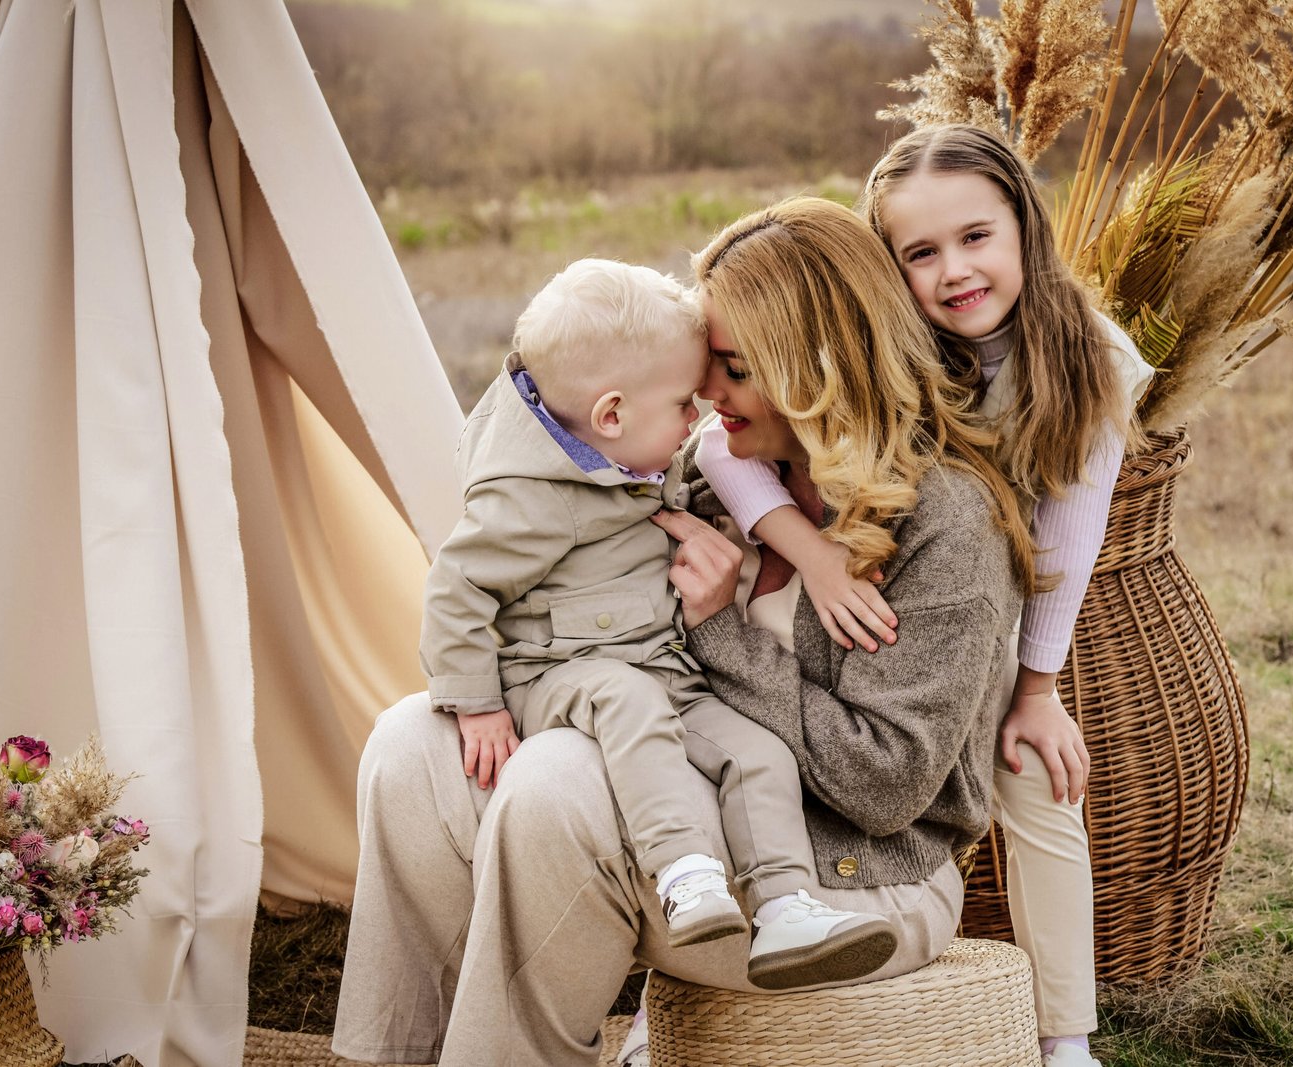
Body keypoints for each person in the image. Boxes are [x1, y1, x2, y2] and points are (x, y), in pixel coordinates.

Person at [332, 199, 1028, 1067]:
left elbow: (886, 784)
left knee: (557, 782)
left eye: (733, 368)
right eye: (705, 363)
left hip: (848, 881)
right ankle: (391, 1056)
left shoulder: (948, 523)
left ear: (818, 368)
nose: (707, 394)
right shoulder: (716, 463)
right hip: (693, 824)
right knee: (409, 740)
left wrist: (721, 628)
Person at [694, 125, 1155, 1067]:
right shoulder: (895, 340)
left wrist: (1037, 690)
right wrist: (813, 557)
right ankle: (685, 1000)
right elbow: (715, 445)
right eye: (920, 252)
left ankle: (1064, 1034)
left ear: (1024, 225)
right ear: (885, 265)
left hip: (998, 603)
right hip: (898, 574)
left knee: (1035, 774)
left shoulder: (1089, 360)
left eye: (976, 236)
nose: (954, 272)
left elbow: (1066, 542)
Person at [419, 257, 894, 985]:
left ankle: (786, 906)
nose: (697, 416)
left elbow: (720, 454)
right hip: (554, 675)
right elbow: (456, 590)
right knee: (628, 699)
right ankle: (684, 873)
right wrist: (476, 703)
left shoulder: (630, 457)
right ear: (611, 415)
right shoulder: (531, 498)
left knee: (759, 752)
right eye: (680, 403)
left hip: (660, 672)